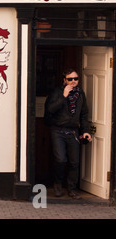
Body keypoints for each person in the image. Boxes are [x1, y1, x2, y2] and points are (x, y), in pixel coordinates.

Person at [44, 68, 92, 199]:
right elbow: (50, 109)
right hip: (58, 131)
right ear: (64, 80)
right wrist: (64, 96)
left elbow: (84, 114)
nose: (73, 81)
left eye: (76, 79)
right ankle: (58, 185)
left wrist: (86, 131)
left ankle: (72, 189)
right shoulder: (57, 92)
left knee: (74, 162)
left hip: (73, 132)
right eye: (70, 79)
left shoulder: (80, 94)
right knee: (61, 160)